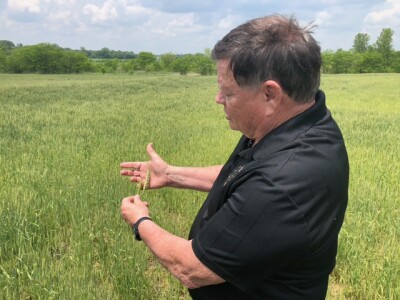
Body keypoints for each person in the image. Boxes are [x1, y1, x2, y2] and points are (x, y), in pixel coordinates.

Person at [120, 14, 349, 299]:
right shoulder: (300, 123)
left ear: (270, 94)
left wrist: (140, 221)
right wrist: (170, 175)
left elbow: (191, 268)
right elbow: (244, 176)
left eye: (227, 91)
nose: (218, 99)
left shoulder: (283, 182)